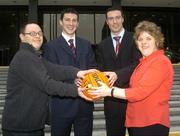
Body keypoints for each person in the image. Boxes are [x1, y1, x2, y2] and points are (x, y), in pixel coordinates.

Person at [1, 22, 94, 136]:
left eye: (40, 33)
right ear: (22, 36)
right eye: (32, 33)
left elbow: (55, 70)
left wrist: (79, 72)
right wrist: (77, 91)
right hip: (21, 128)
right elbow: (47, 84)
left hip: (32, 125)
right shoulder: (24, 57)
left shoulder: (35, 57)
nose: (37, 36)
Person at [88, 21, 174, 136]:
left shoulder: (161, 61)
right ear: (136, 43)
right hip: (136, 123)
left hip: (151, 123)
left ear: (157, 41)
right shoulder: (142, 63)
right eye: (140, 39)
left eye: (148, 38)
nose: (144, 42)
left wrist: (109, 91)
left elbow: (139, 92)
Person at [43, 8, 97, 136]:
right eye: (67, 20)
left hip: (85, 105)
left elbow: (93, 66)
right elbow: (50, 73)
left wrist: (86, 80)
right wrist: (72, 80)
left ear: (77, 24)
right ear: (60, 22)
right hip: (62, 105)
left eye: (74, 20)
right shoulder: (51, 47)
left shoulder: (86, 44)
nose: (71, 23)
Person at [96, 6, 141, 136]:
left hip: (134, 99)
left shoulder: (136, 39)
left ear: (122, 19)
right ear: (107, 22)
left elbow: (138, 64)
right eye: (111, 19)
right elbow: (100, 70)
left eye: (117, 18)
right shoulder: (102, 45)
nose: (114, 22)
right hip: (112, 103)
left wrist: (118, 74)